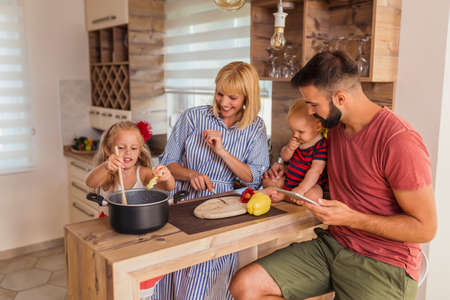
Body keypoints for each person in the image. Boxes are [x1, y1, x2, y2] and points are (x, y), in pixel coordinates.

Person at [230, 51, 437, 300]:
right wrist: (288, 189)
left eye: (314, 104)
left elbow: (425, 229)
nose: (309, 111)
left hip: (383, 263)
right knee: (246, 286)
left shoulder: (398, 141)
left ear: (340, 98)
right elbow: (335, 183)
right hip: (335, 245)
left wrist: (352, 218)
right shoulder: (335, 128)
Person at [152, 61, 270, 299]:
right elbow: (167, 163)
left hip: (223, 209)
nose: (224, 103)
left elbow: (253, 178)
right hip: (183, 202)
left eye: (233, 98)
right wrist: (191, 174)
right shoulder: (193, 117)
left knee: (207, 274)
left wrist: (222, 152)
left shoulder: (255, 127)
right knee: (173, 271)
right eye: (220, 94)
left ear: (248, 97)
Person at [86, 121, 175, 201]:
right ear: (108, 150)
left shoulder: (142, 174)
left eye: (134, 148)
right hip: (110, 219)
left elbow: (169, 187)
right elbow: (90, 183)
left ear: (139, 151)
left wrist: (167, 177)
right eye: (121, 148)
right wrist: (105, 166)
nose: (128, 152)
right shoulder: (109, 175)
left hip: (138, 218)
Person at [262, 99, 327, 203]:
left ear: (318, 126)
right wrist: (289, 148)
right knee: (268, 181)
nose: (295, 135)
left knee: (316, 194)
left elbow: (315, 171)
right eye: (292, 130)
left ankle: (284, 196)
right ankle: (286, 194)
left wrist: (301, 189)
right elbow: (284, 157)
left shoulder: (321, 146)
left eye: (300, 131)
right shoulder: (298, 139)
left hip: (308, 186)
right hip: (289, 181)